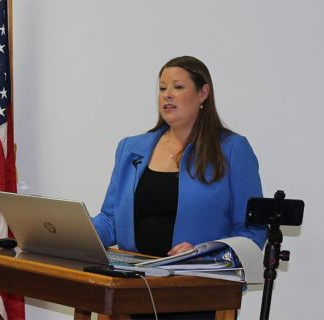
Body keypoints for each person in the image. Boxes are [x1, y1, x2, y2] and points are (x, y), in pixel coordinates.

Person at [92, 56, 267, 319]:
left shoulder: (232, 150)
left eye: (178, 87)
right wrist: (66, 236)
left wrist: (204, 255)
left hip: (196, 289)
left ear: (203, 93)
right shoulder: (131, 148)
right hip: (132, 288)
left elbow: (252, 230)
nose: (167, 95)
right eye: (162, 88)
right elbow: (111, 220)